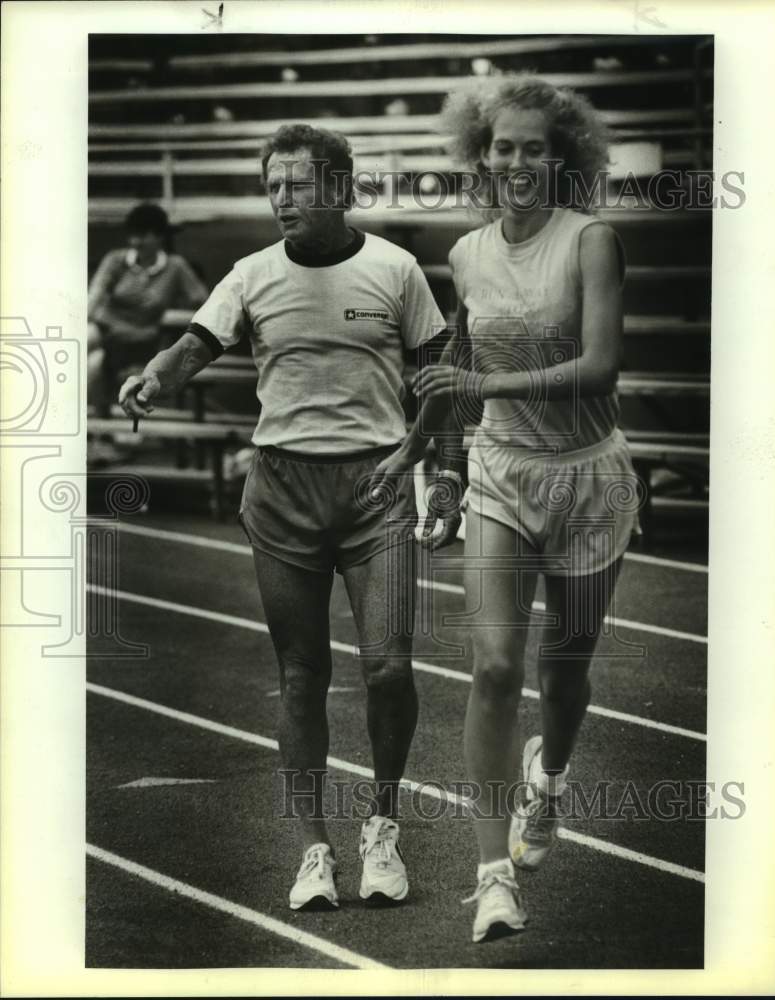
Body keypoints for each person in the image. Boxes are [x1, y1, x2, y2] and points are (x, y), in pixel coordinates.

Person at [118, 125, 447, 911]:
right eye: (273, 187)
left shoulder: (395, 269)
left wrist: (451, 468)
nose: (282, 200)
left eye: (297, 186)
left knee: (388, 667)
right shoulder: (251, 273)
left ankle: (381, 828)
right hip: (282, 491)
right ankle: (312, 851)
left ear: (338, 188)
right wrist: (152, 379)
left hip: (377, 487)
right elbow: (196, 344)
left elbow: (438, 375)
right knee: (300, 677)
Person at [410, 75, 642, 943]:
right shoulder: (466, 253)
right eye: (501, 146)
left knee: (564, 669)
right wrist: (422, 455)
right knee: (494, 668)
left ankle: (549, 778)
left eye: (533, 148)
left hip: (588, 475)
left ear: (563, 157)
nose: (515, 161)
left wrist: (481, 383)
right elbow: (454, 374)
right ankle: (491, 876)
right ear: (481, 154)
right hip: (500, 468)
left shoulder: (592, 242)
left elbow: (598, 370)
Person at [88, 202, 207, 416]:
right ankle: (95, 428)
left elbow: (201, 300)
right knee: (83, 345)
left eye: (143, 235)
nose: (135, 242)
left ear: (160, 237)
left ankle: (105, 428)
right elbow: (94, 295)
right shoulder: (116, 259)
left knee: (95, 364)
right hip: (106, 332)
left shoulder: (175, 267)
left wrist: (176, 307)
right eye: (132, 235)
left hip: (142, 341)